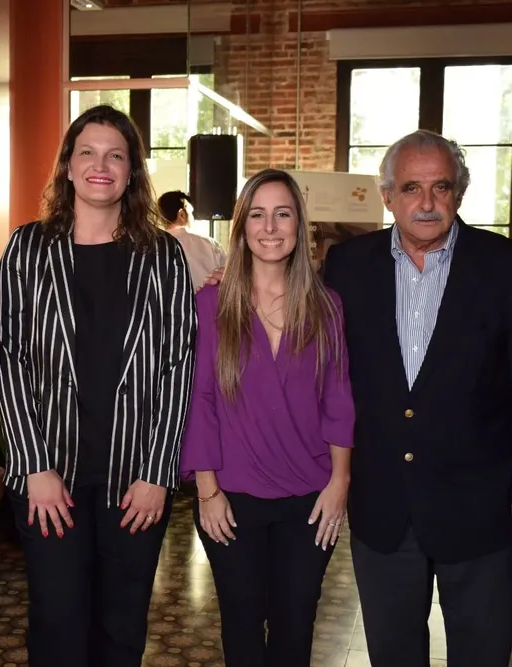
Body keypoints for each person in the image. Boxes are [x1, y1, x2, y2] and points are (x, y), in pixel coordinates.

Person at [322, 130, 512, 666]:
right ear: (387, 196)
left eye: (441, 187)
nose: (426, 203)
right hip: (383, 506)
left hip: (480, 502)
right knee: (393, 653)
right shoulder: (346, 266)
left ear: (459, 193)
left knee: (481, 652)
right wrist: (230, 284)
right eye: (411, 187)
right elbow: (308, 347)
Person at [0, 104, 196, 667]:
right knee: (57, 630)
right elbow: (7, 359)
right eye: (87, 152)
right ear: (67, 166)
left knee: (122, 631)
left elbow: (181, 366)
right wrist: (34, 468)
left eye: (115, 155)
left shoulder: (162, 255)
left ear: (132, 172)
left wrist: (158, 474)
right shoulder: (28, 248)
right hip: (49, 479)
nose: (100, 165)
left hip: (135, 485)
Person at [180, 168, 355, 667]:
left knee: (296, 625)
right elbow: (201, 400)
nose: (270, 226)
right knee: (240, 622)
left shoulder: (327, 307)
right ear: (241, 228)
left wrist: (340, 482)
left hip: (311, 497)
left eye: (283, 214)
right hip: (232, 497)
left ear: (301, 226)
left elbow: (338, 399)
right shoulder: (212, 303)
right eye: (257, 215)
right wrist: (207, 491)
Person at [158, 189, 226, 290]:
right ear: (182, 214)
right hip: (206, 304)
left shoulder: (152, 247)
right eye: (191, 213)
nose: (193, 218)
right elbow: (228, 278)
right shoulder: (210, 245)